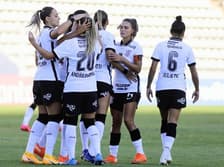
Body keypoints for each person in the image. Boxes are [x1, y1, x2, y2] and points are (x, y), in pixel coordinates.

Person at [28, 11, 104, 165]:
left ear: (79, 25)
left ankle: (70, 157)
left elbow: (51, 55)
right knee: (90, 122)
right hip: (90, 88)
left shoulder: (70, 44)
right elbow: (100, 47)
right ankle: (97, 154)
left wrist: (34, 44)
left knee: (70, 122)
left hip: (73, 88)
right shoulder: (95, 44)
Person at [21, 6, 86, 165]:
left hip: (39, 80)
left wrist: (75, 32)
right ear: (47, 19)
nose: (58, 18)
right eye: (56, 16)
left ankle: (29, 152)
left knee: (43, 117)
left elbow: (38, 60)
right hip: (52, 81)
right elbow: (56, 33)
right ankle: (48, 155)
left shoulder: (42, 36)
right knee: (55, 118)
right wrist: (73, 19)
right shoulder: (49, 33)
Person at [146, 16, 199, 165]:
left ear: (171, 31)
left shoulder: (161, 45)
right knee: (173, 121)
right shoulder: (187, 48)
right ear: (183, 33)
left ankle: (166, 153)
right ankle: (166, 153)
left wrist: (148, 86)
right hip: (178, 87)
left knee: (164, 120)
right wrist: (197, 89)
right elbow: (193, 71)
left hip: (162, 86)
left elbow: (153, 68)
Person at [104, 18, 147, 164]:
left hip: (131, 88)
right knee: (115, 122)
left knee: (128, 120)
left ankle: (140, 154)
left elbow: (137, 69)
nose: (122, 30)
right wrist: (123, 67)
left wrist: (122, 59)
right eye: (121, 27)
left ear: (133, 31)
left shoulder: (136, 47)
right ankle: (112, 155)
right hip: (116, 88)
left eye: (126, 27)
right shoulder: (114, 45)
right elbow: (111, 61)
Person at [79, 9, 116, 163]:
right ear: (106, 22)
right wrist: (122, 68)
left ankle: (84, 149)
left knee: (86, 116)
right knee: (100, 116)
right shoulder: (108, 35)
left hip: (88, 79)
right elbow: (110, 56)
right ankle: (95, 151)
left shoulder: (87, 34)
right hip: (103, 79)